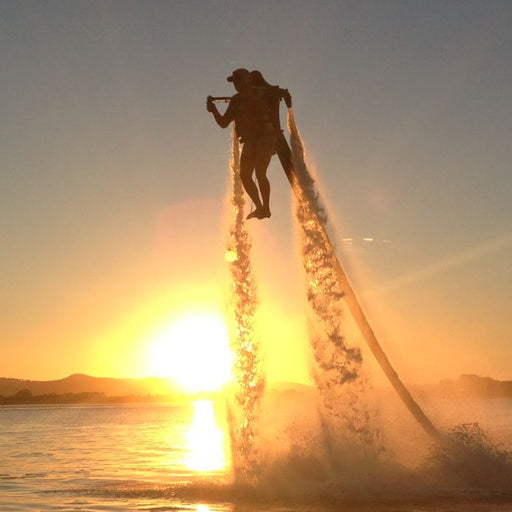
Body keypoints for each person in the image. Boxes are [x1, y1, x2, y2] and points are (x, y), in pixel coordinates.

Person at [207, 68, 278, 219]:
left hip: (266, 136)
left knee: (260, 172)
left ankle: (265, 207)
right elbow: (224, 123)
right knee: (244, 175)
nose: (236, 84)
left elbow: (275, 93)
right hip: (251, 140)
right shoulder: (236, 100)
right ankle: (260, 207)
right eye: (234, 82)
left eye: (238, 80)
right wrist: (213, 110)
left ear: (246, 79)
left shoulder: (261, 92)